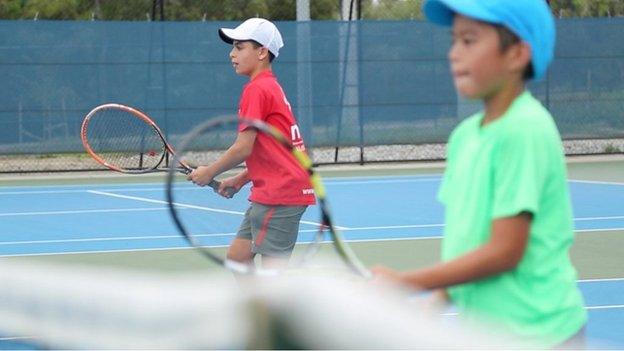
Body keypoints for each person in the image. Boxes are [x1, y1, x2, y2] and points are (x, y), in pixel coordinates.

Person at [372, 0, 587, 348]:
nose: (454, 53)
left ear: (517, 55)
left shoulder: (525, 129)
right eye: (454, 40)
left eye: (469, 41)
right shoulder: (464, 137)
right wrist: (438, 300)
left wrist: (408, 282)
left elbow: (505, 250)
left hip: (543, 336)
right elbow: (468, 238)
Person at [188, 18, 315, 269]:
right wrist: (240, 179)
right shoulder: (269, 87)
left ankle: (279, 308)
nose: (232, 54)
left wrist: (209, 172)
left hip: (282, 193)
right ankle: (259, 307)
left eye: (239, 47)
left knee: (272, 276)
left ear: (262, 52)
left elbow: (243, 147)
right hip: (274, 188)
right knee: (238, 257)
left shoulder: (257, 90)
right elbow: (275, 149)